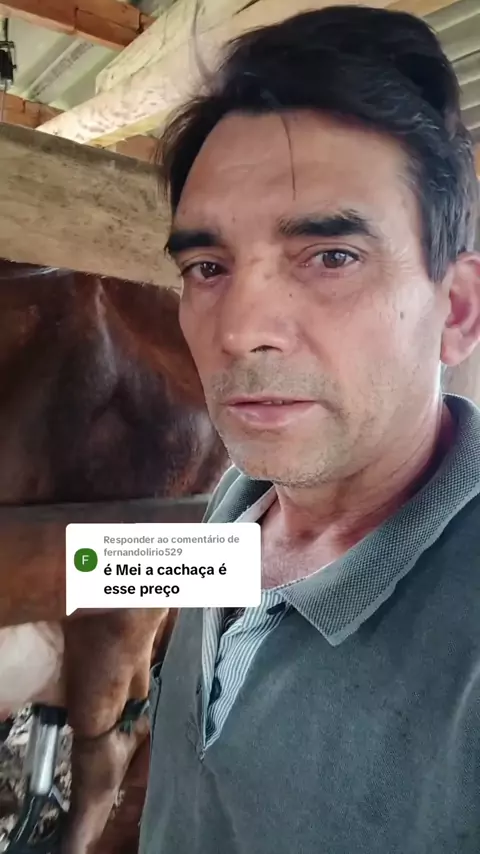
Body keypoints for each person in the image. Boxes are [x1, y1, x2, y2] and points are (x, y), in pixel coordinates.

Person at [139, 6, 480, 853]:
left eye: (331, 257)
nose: (240, 329)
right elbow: (137, 570)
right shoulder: (240, 500)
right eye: (207, 267)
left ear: (457, 311)